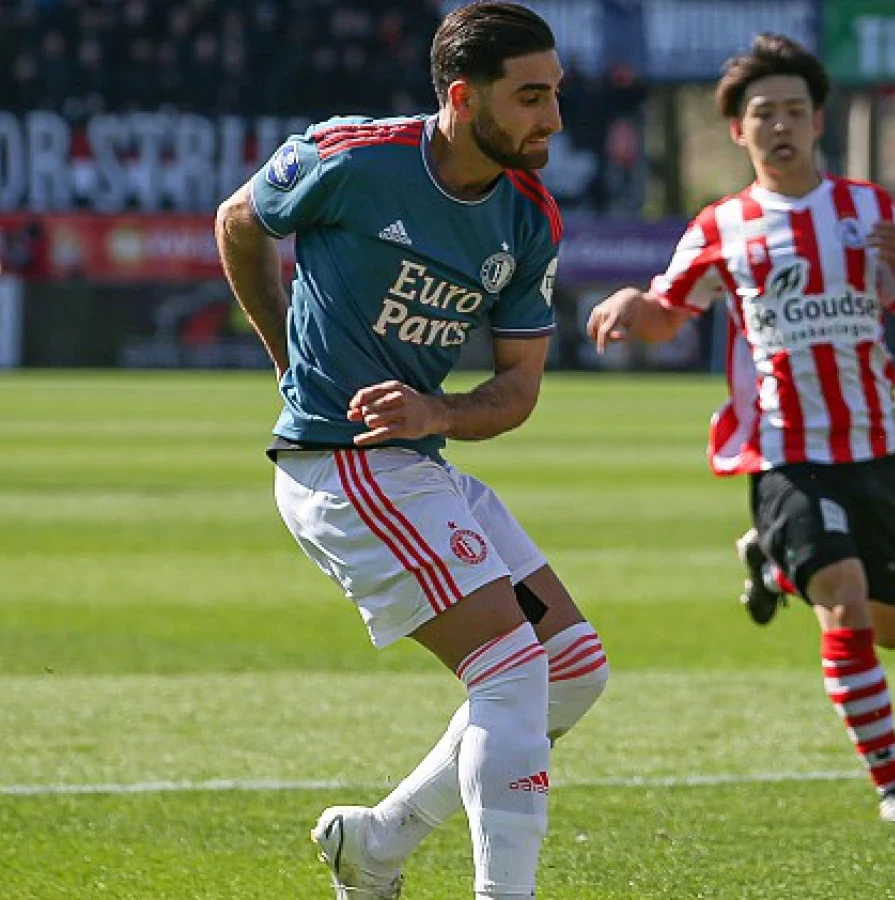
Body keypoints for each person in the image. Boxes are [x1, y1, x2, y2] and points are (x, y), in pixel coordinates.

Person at [214, 5, 609, 898]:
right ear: (465, 98)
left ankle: (381, 843)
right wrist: (287, 357)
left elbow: (516, 392)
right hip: (342, 464)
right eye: (531, 97)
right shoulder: (354, 159)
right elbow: (240, 221)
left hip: (417, 464)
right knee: (511, 668)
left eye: (556, 94)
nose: (552, 118)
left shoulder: (528, 217)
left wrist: (434, 411)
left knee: (572, 670)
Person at [584, 33, 895, 825]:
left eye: (793, 110)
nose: (779, 125)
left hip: (875, 446)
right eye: (762, 114)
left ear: (818, 121)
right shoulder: (723, 226)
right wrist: (628, 308)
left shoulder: (870, 212)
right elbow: (667, 311)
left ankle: (775, 564)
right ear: (739, 131)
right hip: (782, 450)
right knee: (845, 605)